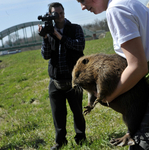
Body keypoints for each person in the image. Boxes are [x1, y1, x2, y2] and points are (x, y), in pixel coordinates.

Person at [76, 0, 149, 149]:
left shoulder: (116, 10)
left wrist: (109, 97)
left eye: (82, 0)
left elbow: (138, 66)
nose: (82, 7)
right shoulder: (126, 2)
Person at [38, 2, 86, 150]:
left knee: (77, 112)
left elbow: (80, 46)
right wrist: (46, 38)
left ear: (64, 13)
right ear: (51, 15)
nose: (59, 16)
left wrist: (61, 37)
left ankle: (81, 140)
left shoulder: (75, 28)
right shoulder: (49, 31)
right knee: (58, 114)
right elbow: (46, 56)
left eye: (61, 13)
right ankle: (60, 142)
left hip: (74, 79)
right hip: (55, 80)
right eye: (56, 14)